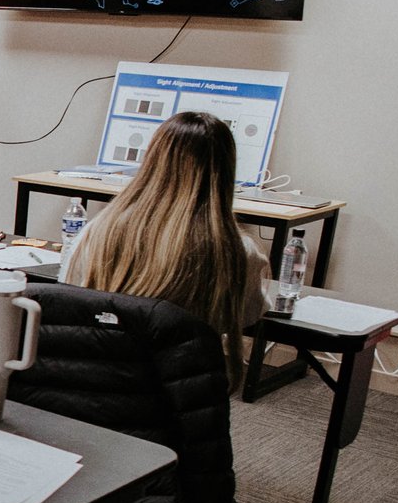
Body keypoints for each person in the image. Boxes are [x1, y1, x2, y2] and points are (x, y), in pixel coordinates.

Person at [60, 109, 267, 383]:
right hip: (182, 394)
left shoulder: (99, 232)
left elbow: (69, 294)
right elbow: (248, 314)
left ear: (152, 162)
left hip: (98, 380)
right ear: (225, 172)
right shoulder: (237, 250)